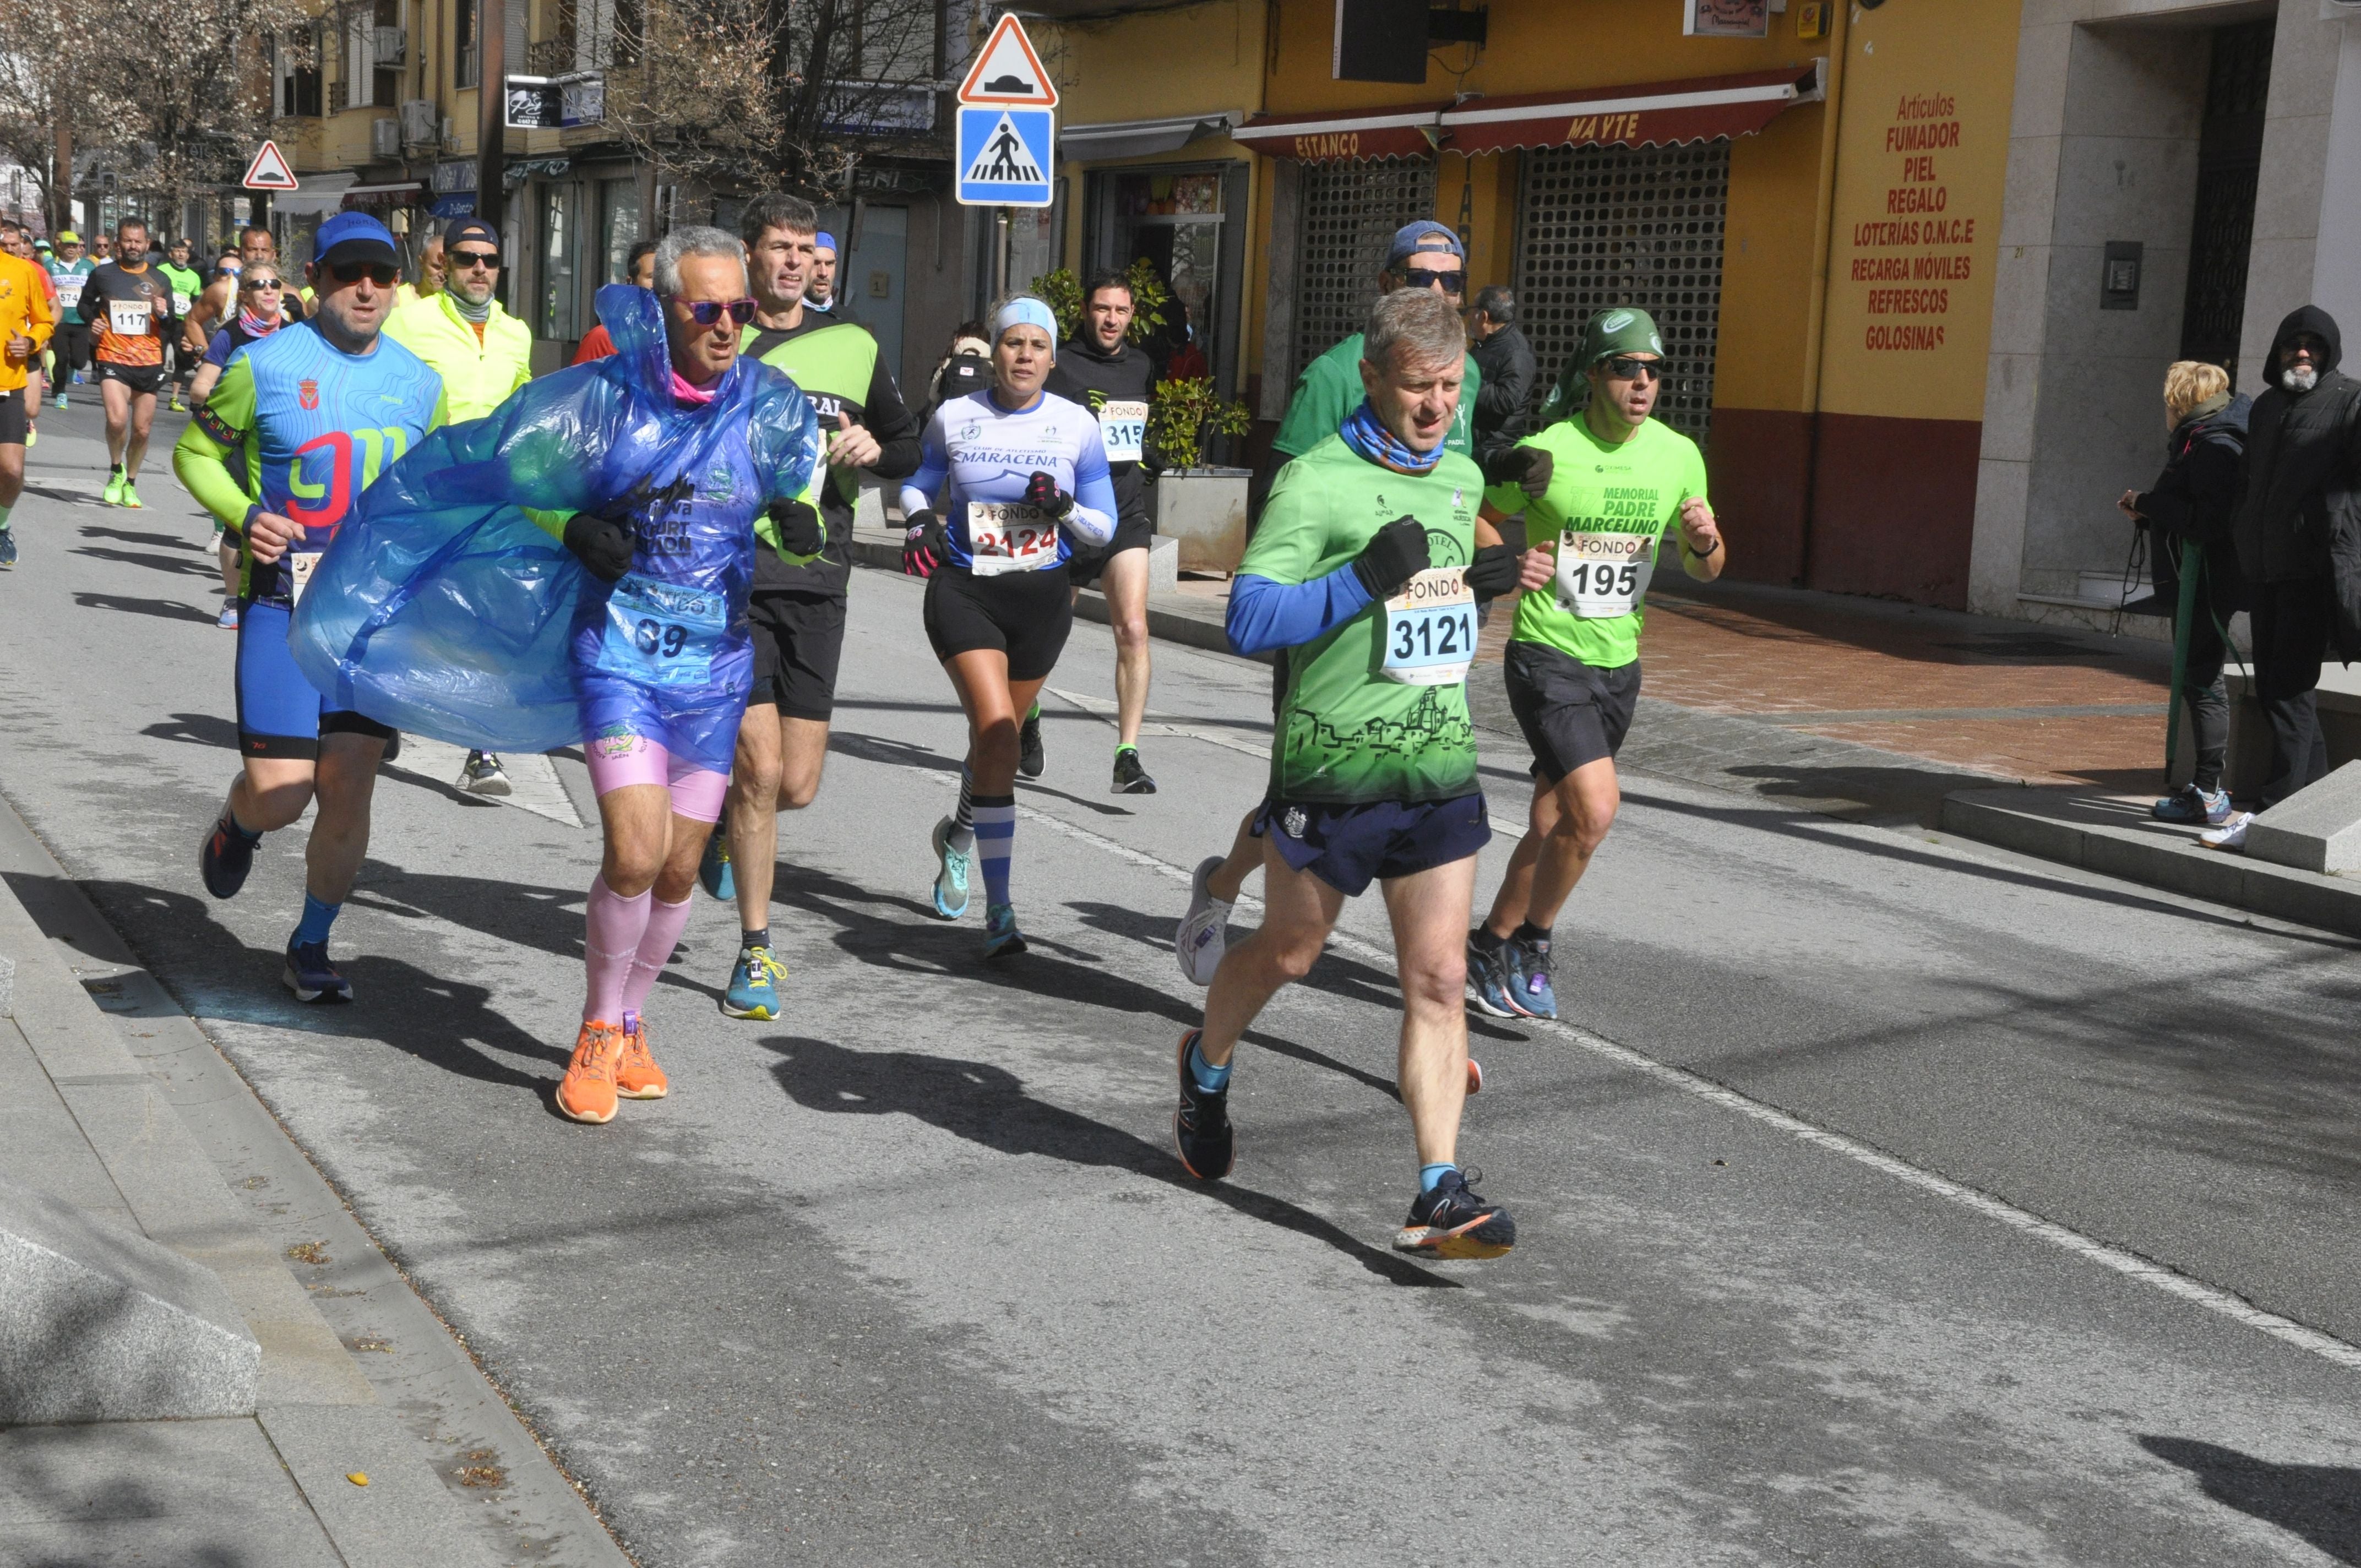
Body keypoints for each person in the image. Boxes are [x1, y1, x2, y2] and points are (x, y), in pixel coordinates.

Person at [1174, 286, 1520, 1258]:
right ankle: (1204, 1067)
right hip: (1332, 769)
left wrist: (1481, 588)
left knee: (1442, 978)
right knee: (1289, 954)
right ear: (1370, 378)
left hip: (1437, 764)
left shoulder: (1457, 478)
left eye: (1450, 387)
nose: (1434, 407)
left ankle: (1438, 1188)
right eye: (1416, 387)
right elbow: (1247, 622)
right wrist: (1357, 577)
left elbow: (1434, 623)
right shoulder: (1316, 481)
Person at [1177, 221, 1538, 982]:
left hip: (1415, 670)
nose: (1436, 292)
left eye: (1450, 280)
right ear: (1385, 285)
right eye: (1419, 277)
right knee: (1289, 806)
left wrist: (1480, 562)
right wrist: (1364, 571)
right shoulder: (1336, 372)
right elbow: (1296, 504)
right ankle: (1220, 886)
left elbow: (1449, 483)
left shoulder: (1460, 374)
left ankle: (1434, 1011)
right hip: (1330, 636)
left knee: (1427, 968)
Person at [172, 211, 445, 1003]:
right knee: (285, 789)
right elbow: (196, 451)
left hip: (368, 620)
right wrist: (243, 514)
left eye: (383, 275)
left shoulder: (421, 384)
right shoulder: (263, 364)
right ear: (314, 282)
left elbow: (433, 491)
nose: (367, 288)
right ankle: (239, 823)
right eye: (348, 274)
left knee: (350, 784)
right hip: (281, 607)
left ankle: (313, 942)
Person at [697, 194, 921, 1019]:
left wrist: (876, 448)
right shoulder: (724, 336)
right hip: (732, 572)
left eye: (804, 249)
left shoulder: (855, 345)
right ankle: (755, 952)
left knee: (796, 786)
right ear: (751, 257)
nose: (793, 262)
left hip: (820, 576)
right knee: (757, 771)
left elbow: (908, 442)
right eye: (778, 248)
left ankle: (725, 829)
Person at [1463, 309, 1723, 1021]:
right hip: (1548, 656)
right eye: (1626, 367)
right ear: (1593, 375)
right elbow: (1479, 511)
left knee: (1554, 822)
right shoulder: (1551, 450)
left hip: (1620, 667)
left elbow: (1709, 566)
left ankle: (1488, 944)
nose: (1643, 381)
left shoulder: (1678, 455)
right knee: (1596, 810)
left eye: (1653, 368)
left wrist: (1703, 543)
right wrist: (1513, 563)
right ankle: (1536, 944)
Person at [900, 296, 1119, 957]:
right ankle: (1001, 912)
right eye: (1012, 344)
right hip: (966, 593)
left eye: (1037, 346)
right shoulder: (955, 416)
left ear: (1053, 357)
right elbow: (917, 483)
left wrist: (1066, 506)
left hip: (1042, 602)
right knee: (997, 735)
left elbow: (1103, 526)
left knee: (993, 748)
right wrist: (918, 519)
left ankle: (959, 836)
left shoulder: (1077, 426)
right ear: (993, 352)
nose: (1024, 356)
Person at [385, 216, 536, 796]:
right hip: (423, 491)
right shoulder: (409, 322)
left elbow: (520, 404)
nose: (479, 269)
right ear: (443, 263)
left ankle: (483, 752)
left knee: (487, 617)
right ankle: (379, 710)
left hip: (491, 496)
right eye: (467, 258)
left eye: (489, 260)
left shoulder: (515, 332)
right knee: (410, 608)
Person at [2212, 306, 2361, 850]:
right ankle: (2313, 807)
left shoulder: (2349, 402)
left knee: (2288, 690)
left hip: (2309, 572)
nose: (2303, 354)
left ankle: (2272, 813)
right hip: (2266, 569)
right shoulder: (2267, 406)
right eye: (2294, 345)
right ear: (2278, 351)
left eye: (2314, 347)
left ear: (2328, 354)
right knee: (2280, 687)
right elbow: (2248, 480)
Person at [1044, 270, 1161, 792]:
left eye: (1121, 311)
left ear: (1131, 315)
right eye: (1102, 309)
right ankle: (1025, 720)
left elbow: (1140, 425)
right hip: (1070, 516)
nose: (1111, 320)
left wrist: (1149, 451)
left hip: (1125, 512)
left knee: (1133, 629)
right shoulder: (1061, 365)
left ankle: (1127, 755)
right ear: (1086, 312)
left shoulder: (1140, 365)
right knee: (1047, 634)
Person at [2118, 361, 2248, 827]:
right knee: (2199, 677)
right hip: (2198, 575)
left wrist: (2149, 502)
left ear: (2179, 401)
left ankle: (2210, 793)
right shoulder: (2208, 433)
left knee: (2202, 678)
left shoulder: (2213, 444)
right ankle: (2207, 791)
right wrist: (2150, 514)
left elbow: (2209, 521)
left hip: (2207, 580)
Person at [188, 262, 294, 628]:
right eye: (258, 285)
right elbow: (200, 388)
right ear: (244, 295)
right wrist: (231, 401)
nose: (268, 290)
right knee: (241, 522)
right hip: (241, 438)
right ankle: (233, 600)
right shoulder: (229, 336)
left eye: (274, 284)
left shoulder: (294, 333)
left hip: (283, 437)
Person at [79, 217, 178, 509]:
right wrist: (93, 322)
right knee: (116, 420)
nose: (133, 246)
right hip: (112, 355)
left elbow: (172, 325)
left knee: (142, 431)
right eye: (127, 240)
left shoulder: (160, 280)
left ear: (147, 244)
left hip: (149, 360)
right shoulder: (104, 274)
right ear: (118, 243)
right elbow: (85, 304)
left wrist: (163, 313)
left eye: (138, 241)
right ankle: (115, 470)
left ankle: (131, 482)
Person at [0, 220, 56, 570]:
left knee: (11, 469)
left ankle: (2, 525)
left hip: (8, 383)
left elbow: (44, 320)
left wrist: (31, 342)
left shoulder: (21, 271)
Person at [1465, 284, 1535, 464]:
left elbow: (1507, 400)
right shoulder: (1484, 344)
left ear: (1484, 316)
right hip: (1475, 444)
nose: (1469, 317)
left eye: (1472, 310)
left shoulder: (1517, 352)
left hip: (1495, 450)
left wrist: (1467, 382)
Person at [572, 238, 657, 363]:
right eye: (652, 277)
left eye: (666, 277)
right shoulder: (604, 338)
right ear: (630, 282)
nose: (661, 284)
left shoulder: (685, 337)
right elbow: (579, 381)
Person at [44, 232, 93, 406]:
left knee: (79, 361)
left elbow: (95, 292)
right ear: (60, 246)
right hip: (60, 321)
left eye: (74, 245)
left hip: (81, 321)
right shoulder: (50, 266)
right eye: (68, 245)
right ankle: (60, 392)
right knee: (61, 358)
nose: (71, 248)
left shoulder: (88, 266)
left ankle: (73, 370)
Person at [156, 237, 204, 412]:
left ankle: (174, 398)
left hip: (182, 323)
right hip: (163, 320)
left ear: (188, 255)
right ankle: (150, 390)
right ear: (171, 254)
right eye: (177, 251)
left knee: (181, 360)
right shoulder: (162, 270)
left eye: (184, 252)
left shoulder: (194, 277)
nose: (181, 254)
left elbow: (197, 301)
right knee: (158, 357)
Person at [396, 231, 446, 308]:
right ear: (421, 263)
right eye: (436, 267)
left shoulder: (455, 305)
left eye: (447, 268)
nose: (442, 275)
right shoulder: (398, 299)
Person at [808, 231, 839, 313]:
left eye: (829, 263)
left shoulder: (849, 319)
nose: (823, 273)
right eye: (815, 263)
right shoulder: (787, 319)